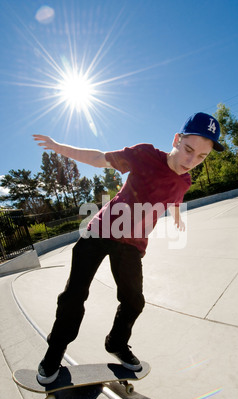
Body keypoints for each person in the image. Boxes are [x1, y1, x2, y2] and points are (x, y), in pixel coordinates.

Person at [33, 112, 224, 384]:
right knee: (74, 295)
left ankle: (116, 343)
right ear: (176, 140)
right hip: (99, 232)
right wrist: (58, 147)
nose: (190, 162)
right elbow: (99, 159)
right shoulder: (144, 154)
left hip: (132, 245)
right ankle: (54, 352)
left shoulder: (185, 181)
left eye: (201, 157)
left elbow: (175, 199)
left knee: (134, 300)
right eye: (188, 150)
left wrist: (179, 216)